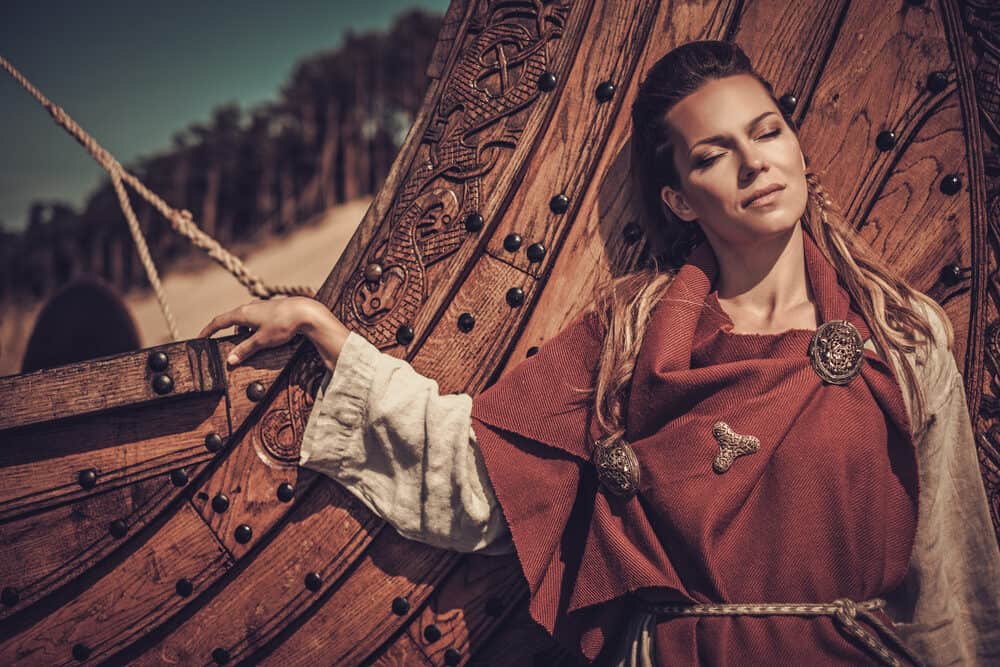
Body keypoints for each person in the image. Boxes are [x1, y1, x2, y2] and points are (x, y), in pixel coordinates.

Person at [199, 41, 1000, 666]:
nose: (755, 161)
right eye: (713, 152)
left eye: (767, 131)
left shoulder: (900, 332)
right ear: (679, 198)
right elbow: (484, 474)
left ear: (796, 147)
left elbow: (951, 572)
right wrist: (327, 335)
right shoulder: (628, 339)